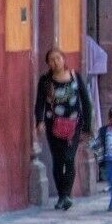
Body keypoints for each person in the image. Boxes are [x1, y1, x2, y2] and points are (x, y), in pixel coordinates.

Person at [32, 47, 92, 210]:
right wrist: (40, 121)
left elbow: (86, 102)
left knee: (69, 158)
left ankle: (66, 194)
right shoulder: (45, 81)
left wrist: (87, 126)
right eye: (52, 60)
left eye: (58, 58)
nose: (55, 62)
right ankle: (62, 195)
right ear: (48, 63)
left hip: (74, 125)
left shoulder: (75, 76)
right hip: (54, 125)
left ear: (64, 59)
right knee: (58, 160)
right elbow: (40, 103)